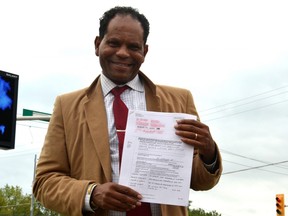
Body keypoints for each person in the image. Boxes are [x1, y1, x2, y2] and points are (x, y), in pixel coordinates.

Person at [33, 6, 222, 216]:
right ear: (97, 44)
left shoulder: (179, 101)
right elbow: (44, 182)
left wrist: (209, 153)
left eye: (133, 46)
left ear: (145, 51)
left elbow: (200, 181)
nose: (122, 53)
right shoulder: (66, 106)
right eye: (113, 43)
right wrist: (91, 194)